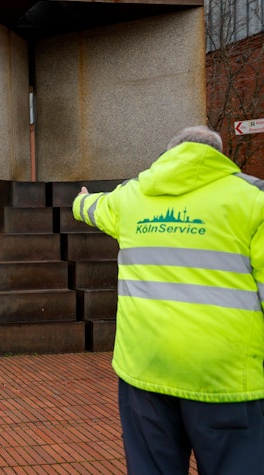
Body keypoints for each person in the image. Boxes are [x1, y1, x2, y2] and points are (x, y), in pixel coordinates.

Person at [72, 125, 264, 474]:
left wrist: (80, 198)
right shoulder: (254, 199)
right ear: (218, 154)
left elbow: (90, 207)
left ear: (170, 153)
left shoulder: (132, 196)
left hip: (144, 371)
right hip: (227, 380)